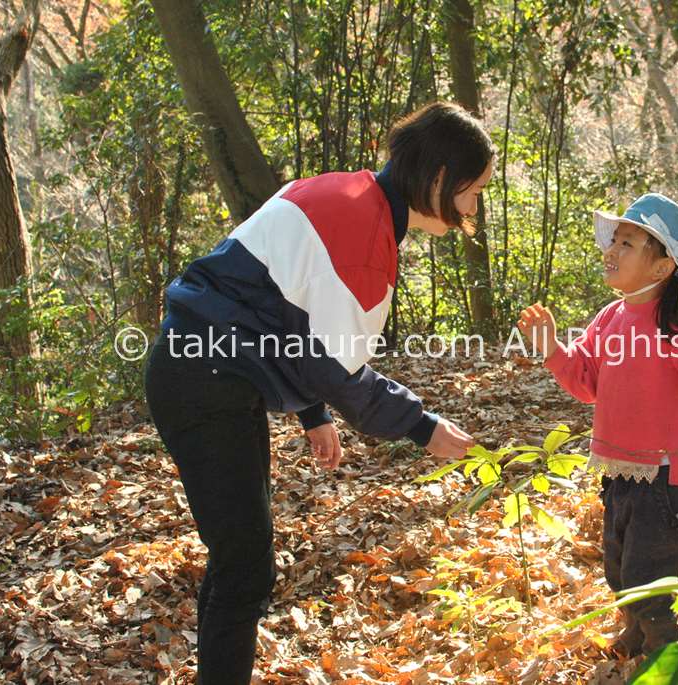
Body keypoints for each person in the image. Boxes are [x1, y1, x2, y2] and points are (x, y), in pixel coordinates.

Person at [144, 102, 491, 684]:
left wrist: (310, 411)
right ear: (439, 178)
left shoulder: (342, 191)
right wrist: (423, 426)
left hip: (210, 375)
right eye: (472, 190)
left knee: (240, 561)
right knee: (244, 566)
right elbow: (341, 373)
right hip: (205, 383)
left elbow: (276, 308)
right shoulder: (364, 235)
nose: (473, 207)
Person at [517, 193, 678, 657]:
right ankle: (637, 632)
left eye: (628, 243)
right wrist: (553, 347)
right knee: (618, 568)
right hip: (619, 469)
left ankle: (667, 649)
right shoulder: (609, 318)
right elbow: (587, 382)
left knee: (648, 574)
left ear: (661, 269)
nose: (611, 251)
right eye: (613, 240)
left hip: (667, 475)